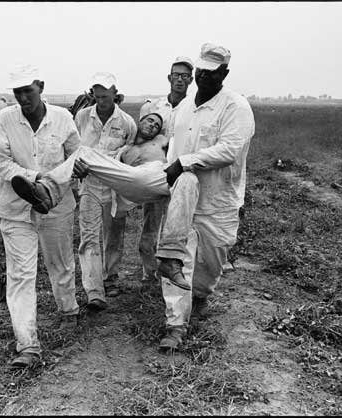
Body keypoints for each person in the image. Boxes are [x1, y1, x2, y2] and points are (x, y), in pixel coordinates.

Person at [10, 112, 193, 286]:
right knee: (84, 153)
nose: (152, 125)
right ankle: (47, 191)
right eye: (150, 120)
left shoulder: (161, 141)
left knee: (152, 231)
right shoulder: (124, 149)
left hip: (157, 176)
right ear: (140, 121)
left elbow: (184, 144)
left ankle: (161, 266)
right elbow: (104, 163)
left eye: (157, 125)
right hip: (131, 182)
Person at [155, 42, 255, 351]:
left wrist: (183, 163)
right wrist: (166, 173)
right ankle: (175, 325)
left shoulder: (235, 107)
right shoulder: (184, 108)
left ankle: (199, 295)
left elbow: (229, 150)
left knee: (211, 264)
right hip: (184, 198)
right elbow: (173, 147)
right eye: (200, 72)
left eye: (211, 73)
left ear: (224, 73)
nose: (203, 78)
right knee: (177, 256)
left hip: (219, 201)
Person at [0, 64, 81, 369]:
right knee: (20, 275)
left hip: (56, 202)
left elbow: (76, 154)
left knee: (60, 261)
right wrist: (34, 177)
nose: (22, 98)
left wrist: (75, 170)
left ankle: (68, 311)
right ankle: (28, 345)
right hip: (16, 206)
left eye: (27, 91)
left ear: (40, 86)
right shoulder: (5, 119)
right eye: (17, 92)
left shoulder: (62, 118)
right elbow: (0, 161)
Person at [73, 72, 137, 309]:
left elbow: (131, 151)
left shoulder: (126, 122)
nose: (102, 101)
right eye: (97, 96)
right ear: (93, 95)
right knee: (89, 236)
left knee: (114, 235)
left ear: (114, 94)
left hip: (114, 186)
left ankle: (111, 277)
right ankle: (94, 291)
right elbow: (73, 146)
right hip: (89, 184)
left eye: (106, 96)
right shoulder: (82, 117)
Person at [137, 56, 194, 283]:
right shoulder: (153, 107)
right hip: (154, 171)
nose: (179, 80)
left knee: (176, 223)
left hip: (179, 172)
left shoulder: (193, 108)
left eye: (185, 76)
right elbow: (142, 137)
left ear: (191, 80)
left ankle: (171, 272)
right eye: (176, 75)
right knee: (151, 221)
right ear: (169, 77)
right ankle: (148, 273)